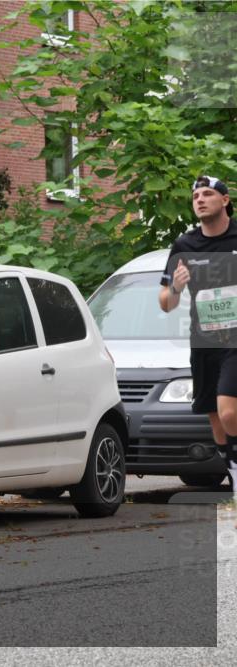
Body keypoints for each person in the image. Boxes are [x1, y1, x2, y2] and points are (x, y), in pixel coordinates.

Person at [159, 175, 237, 494]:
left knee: (228, 410)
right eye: (195, 196)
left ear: (225, 200)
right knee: (216, 422)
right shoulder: (185, 245)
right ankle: (233, 468)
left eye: (207, 194)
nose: (200, 200)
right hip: (204, 341)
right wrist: (176, 286)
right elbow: (165, 302)